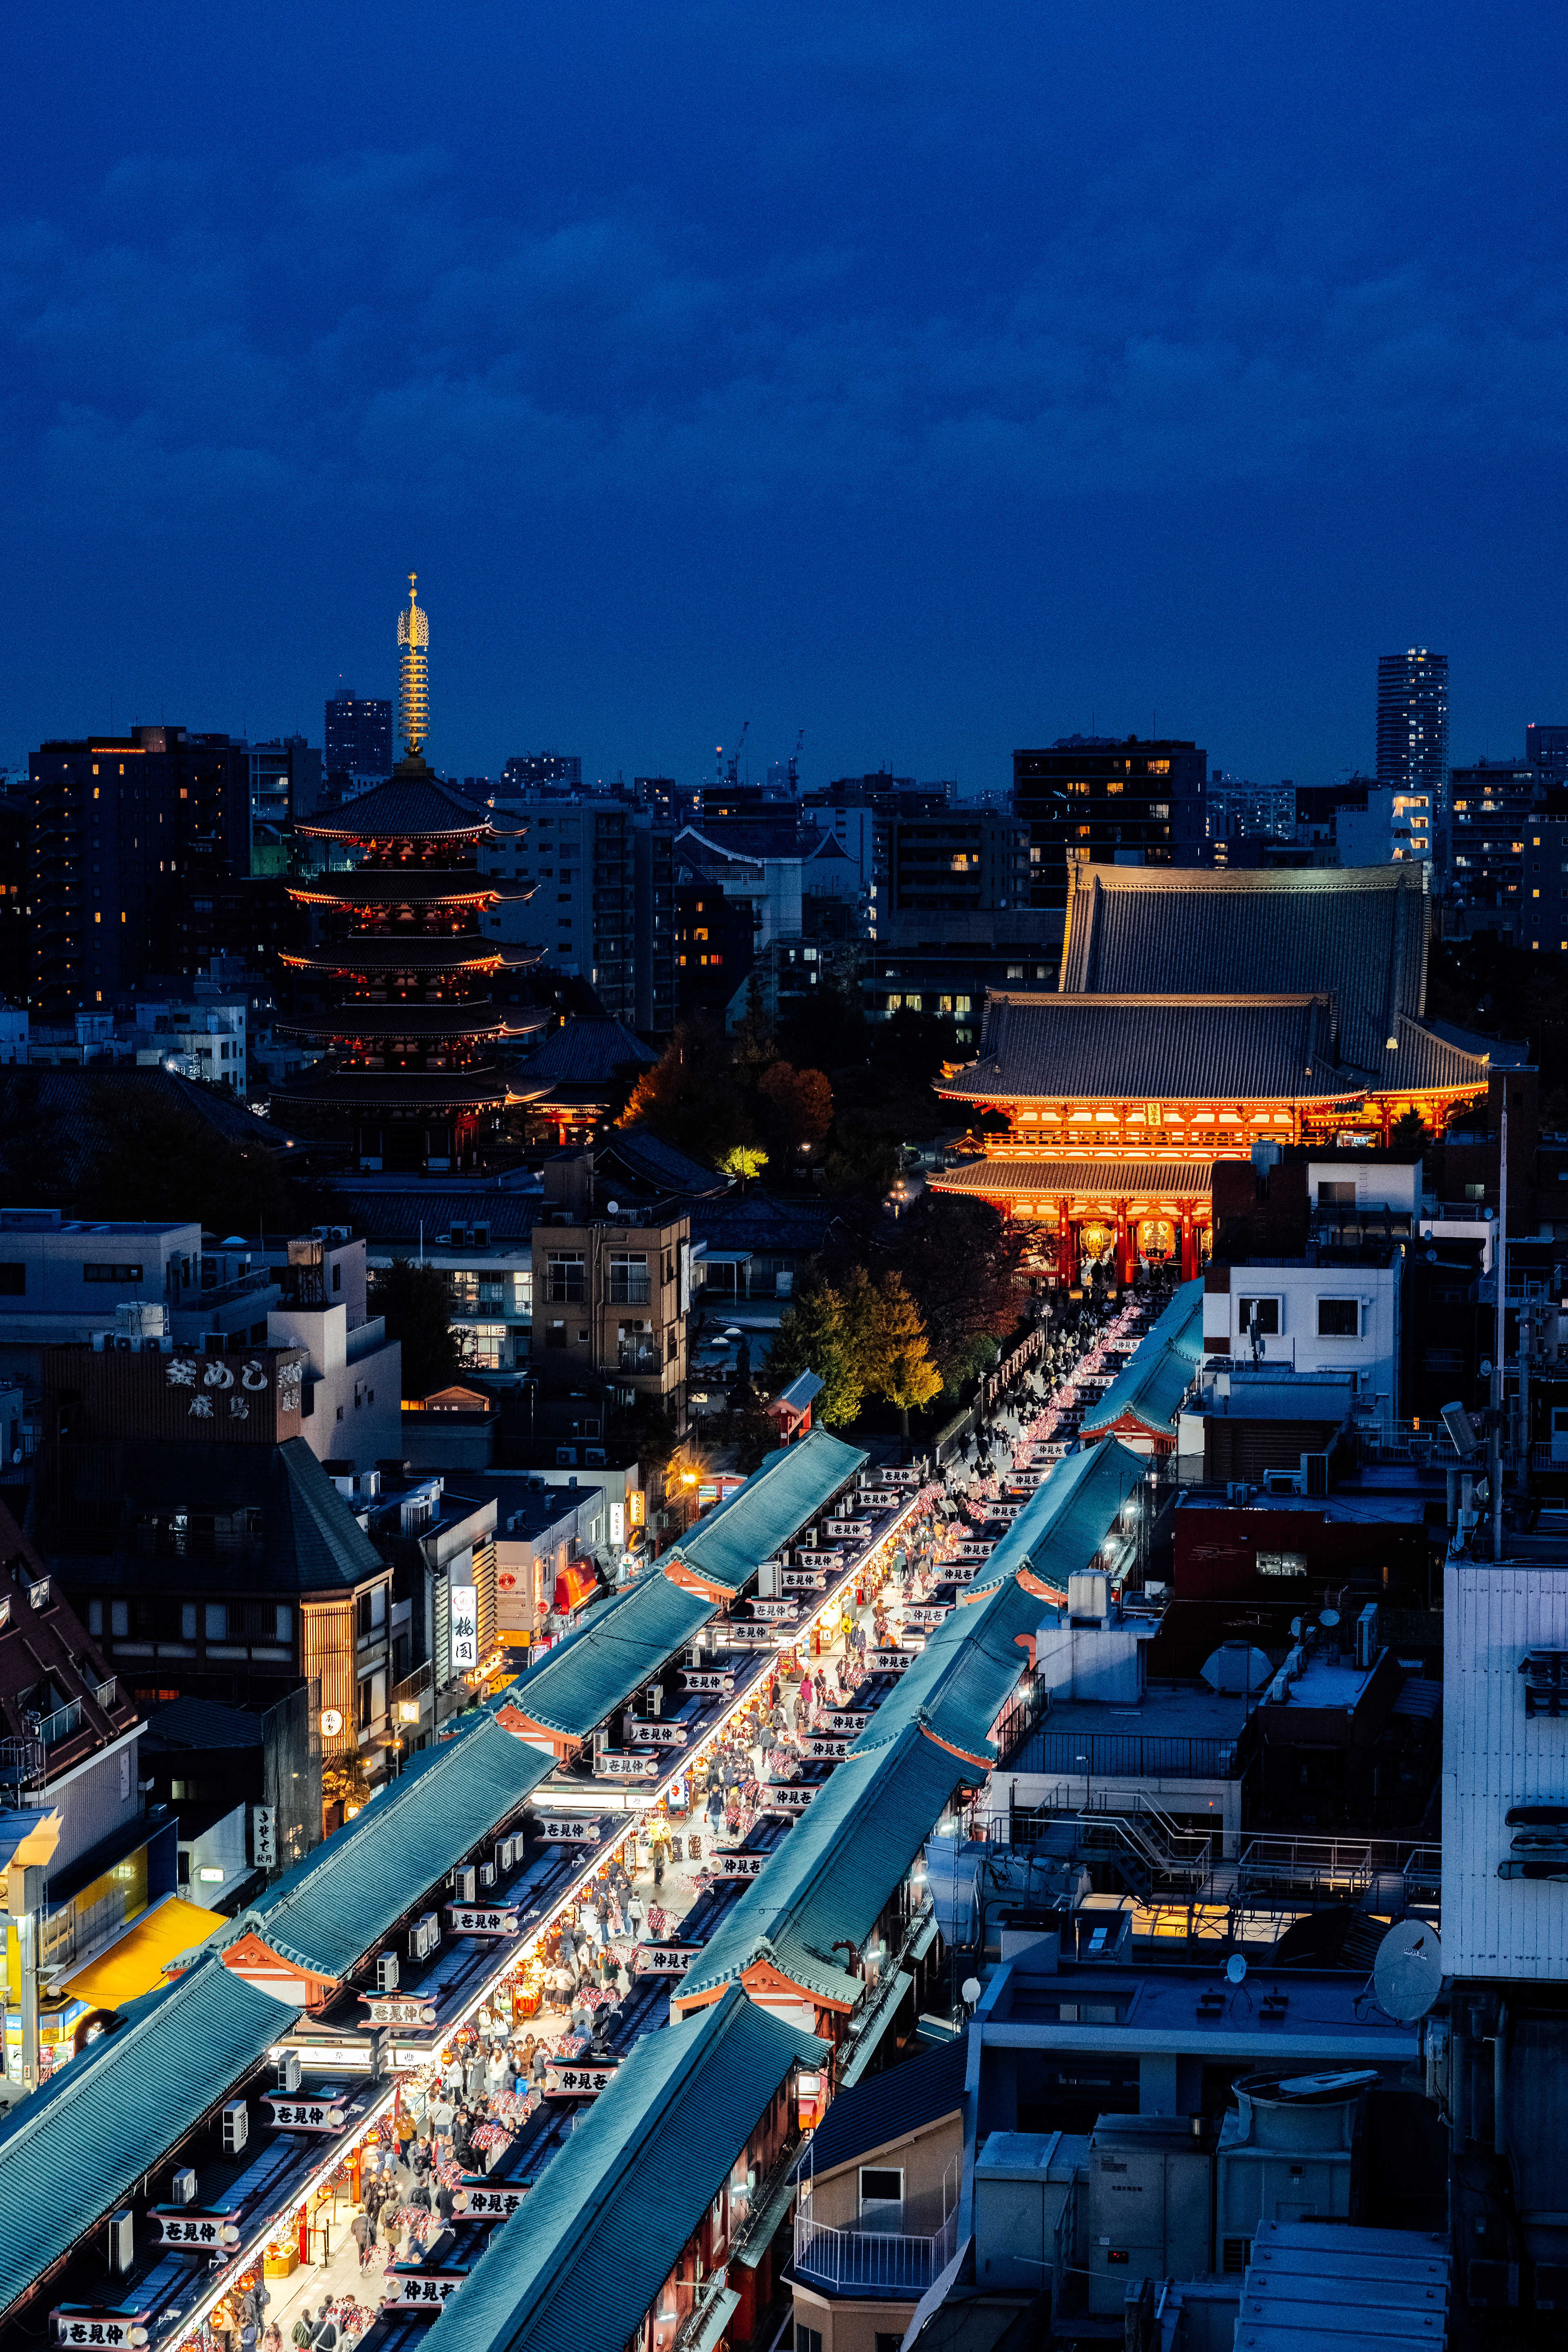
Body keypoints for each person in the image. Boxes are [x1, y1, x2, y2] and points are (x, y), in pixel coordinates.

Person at [350, 2206, 371, 2272]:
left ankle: (361, 2264)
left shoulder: (355, 2221)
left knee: (361, 2251)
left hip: (360, 2238)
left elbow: (353, 2231)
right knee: (368, 2250)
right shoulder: (369, 2219)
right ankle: (366, 2263)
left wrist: (358, 2234)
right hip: (368, 2237)